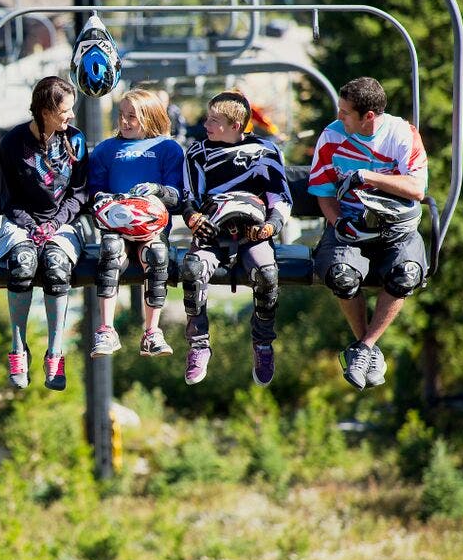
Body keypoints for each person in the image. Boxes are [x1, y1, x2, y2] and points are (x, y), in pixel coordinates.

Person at [308, 76, 428, 389]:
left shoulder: (402, 135)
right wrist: (337, 222)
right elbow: (323, 192)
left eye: (345, 112)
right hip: (350, 224)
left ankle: (364, 346)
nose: (339, 117)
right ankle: (366, 349)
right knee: (341, 276)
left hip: (395, 228)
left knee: (407, 274)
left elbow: (416, 188)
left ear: (368, 117)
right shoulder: (332, 138)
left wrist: (369, 177)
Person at [180, 91, 292, 387]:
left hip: (252, 233)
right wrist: (194, 219)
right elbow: (189, 196)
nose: (205, 124)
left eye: (213, 120)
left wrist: (271, 225)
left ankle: (263, 342)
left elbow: (279, 196)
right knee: (192, 270)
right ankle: (198, 344)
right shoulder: (198, 153)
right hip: (212, 231)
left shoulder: (265, 152)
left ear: (234, 125)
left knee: (267, 273)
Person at [0, 75, 89, 392]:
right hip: (21, 223)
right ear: (46, 111)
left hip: (61, 223)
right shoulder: (13, 144)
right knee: (23, 263)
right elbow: (9, 199)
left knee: (56, 267)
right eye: (65, 110)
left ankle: (55, 352)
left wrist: (54, 223)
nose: (71, 116)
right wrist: (32, 227)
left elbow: (79, 194)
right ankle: (19, 349)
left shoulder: (75, 141)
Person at [87, 89, 185, 358]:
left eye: (133, 116)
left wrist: (157, 190)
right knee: (110, 251)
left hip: (150, 229)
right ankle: (106, 329)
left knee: (155, 255)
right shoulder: (106, 150)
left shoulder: (167, 149)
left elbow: (178, 196)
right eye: (121, 115)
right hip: (116, 227)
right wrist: (104, 200)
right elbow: (93, 191)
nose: (125, 122)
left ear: (151, 117)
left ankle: (152, 331)